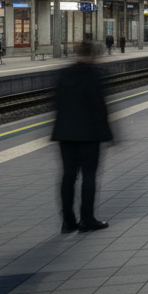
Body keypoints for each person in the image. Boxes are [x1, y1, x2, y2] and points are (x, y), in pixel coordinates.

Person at [52, 41, 112, 233]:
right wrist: (109, 134)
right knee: (88, 177)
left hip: (65, 134)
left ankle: (68, 222)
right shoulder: (93, 75)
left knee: (68, 176)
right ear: (93, 55)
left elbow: (55, 103)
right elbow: (99, 107)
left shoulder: (64, 73)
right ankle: (87, 220)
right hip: (89, 134)